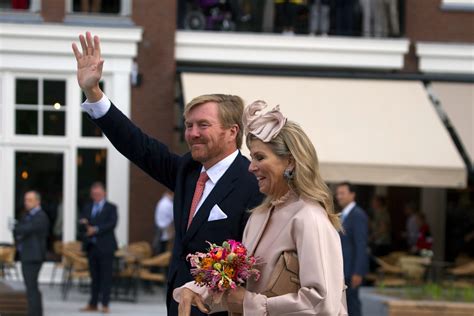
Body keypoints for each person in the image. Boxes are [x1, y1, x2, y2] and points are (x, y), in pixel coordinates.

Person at [72, 32, 263, 316]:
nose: (192, 134)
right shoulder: (186, 170)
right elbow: (137, 145)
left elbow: (256, 264)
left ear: (232, 131)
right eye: (188, 125)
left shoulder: (253, 183)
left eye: (203, 125)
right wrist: (94, 94)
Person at [174, 101, 347, 315]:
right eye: (252, 157)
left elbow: (322, 303)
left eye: (260, 157)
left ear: (290, 162)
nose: (251, 166)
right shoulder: (259, 215)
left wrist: (251, 303)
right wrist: (195, 289)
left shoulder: (309, 217)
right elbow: (236, 278)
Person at [79, 182, 118, 313]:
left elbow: (111, 224)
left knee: (106, 277)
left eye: (98, 193)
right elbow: (82, 221)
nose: (96, 195)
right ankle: (93, 303)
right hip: (91, 247)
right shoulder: (88, 207)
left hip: (106, 248)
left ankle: (105, 304)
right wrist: (83, 224)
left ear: (104, 193)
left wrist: (95, 229)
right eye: (94, 194)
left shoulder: (111, 207)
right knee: (94, 277)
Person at [13, 191, 50, 316]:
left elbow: (24, 228)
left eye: (29, 200)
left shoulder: (40, 216)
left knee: (31, 286)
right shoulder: (28, 215)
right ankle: (35, 312)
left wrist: (18, 228)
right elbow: (19, 229)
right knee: (30, 286)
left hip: (33, 256)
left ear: (37, 201)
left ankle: (34, 313)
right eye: (25, 200)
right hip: (27, 255)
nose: (26, 203)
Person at [335, 182, 368, 316]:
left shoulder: (358, 215)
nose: (339, 197)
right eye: (338, 194)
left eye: (342, 193)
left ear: (352, 194)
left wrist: (358, 272)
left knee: (352, 304)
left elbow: (361, 244)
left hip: (351, 270)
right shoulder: (342, 214)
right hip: (342, 268)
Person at [153, 191, 174, 255]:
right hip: (166, 228)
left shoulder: (162, 202)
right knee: (164, 248)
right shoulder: (168, 204)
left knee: (159, 246)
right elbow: (172, 217)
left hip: (159, 227)